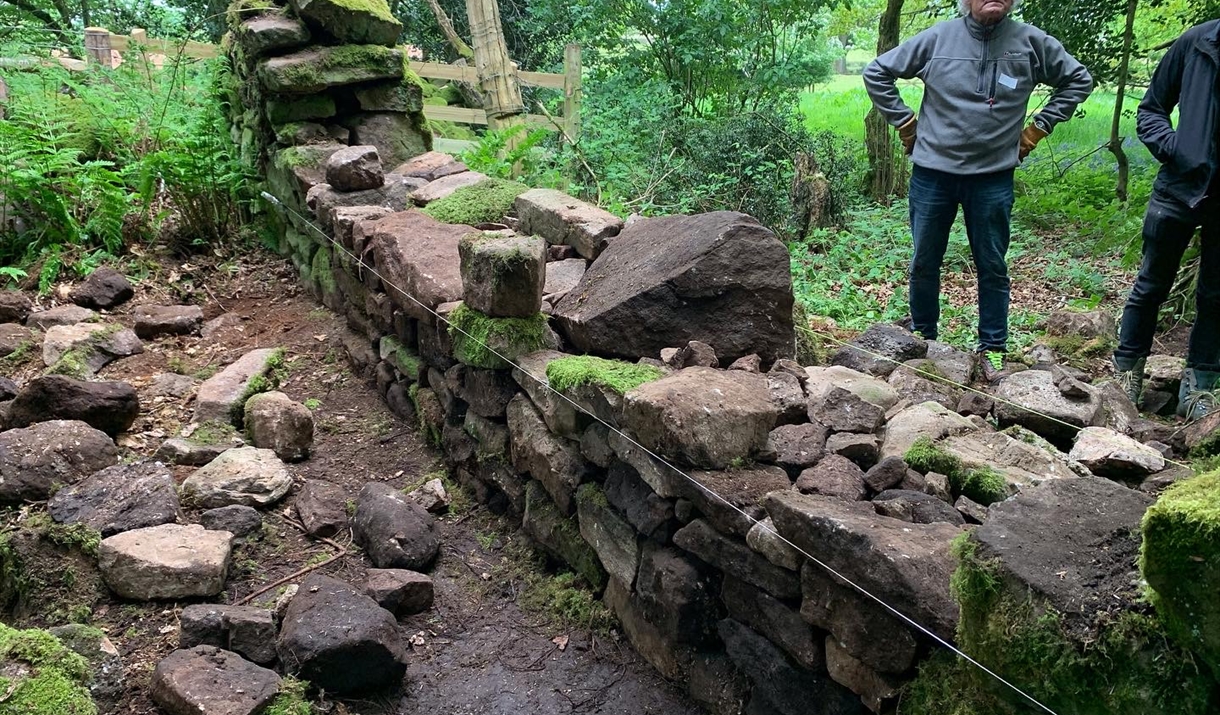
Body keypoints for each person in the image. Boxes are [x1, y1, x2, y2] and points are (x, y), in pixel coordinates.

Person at [863, 0, 1093, 381]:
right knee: (924, 261)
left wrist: (1038, 129)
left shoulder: (1031, 42)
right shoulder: (939, 38)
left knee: (992, 265)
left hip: (993, 177)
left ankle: (993, 349)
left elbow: (1079, 80)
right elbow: (877, 72)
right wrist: (905, 123)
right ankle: (922, 339)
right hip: (933, 173)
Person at [1112, 19, 1220, 421]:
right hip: (1178, 187)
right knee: (1151, 283)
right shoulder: (1197, 42)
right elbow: (1152, 108)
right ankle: (1126, 373)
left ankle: (1200, 387)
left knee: (1216, 294)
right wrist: (1177, 149)